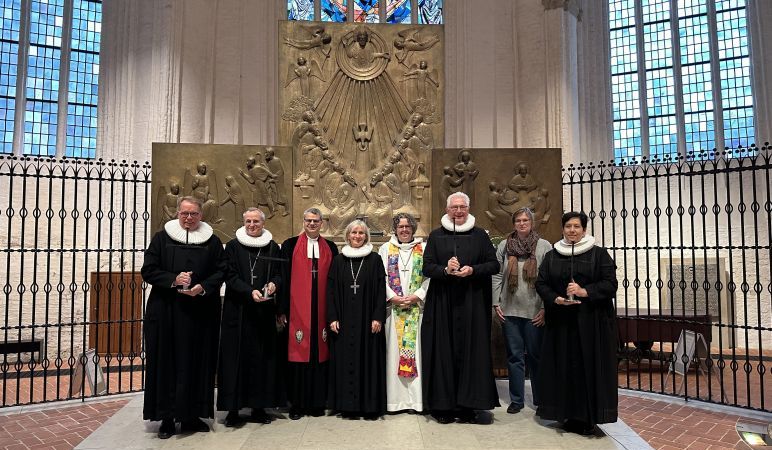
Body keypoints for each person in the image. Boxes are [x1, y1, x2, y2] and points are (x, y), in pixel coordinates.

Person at [141, 196, 225, 439]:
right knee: (167, 362)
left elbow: (222, 270)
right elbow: (148, 270)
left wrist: (202, 287)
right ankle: (167, 417)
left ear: (201, 215)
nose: (189, 218)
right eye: (185, 213)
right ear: (177, 213)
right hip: (167, 311)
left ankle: (192, 414)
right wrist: (173, 280)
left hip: (200, 313)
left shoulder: (212, 241)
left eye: (194, 214)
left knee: (196, 361)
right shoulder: (161, 239)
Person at [535, 211, 618, 435]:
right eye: (568, 226)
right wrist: (556, 298)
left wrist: (584, 291)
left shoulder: (599, 255)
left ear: (584, 229)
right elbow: (541, 283)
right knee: (562, 367)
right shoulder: (553, 256)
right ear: (562, 229)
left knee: (586, 368)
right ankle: (564, 414)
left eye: (577, 227)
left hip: (591, 323)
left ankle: (587, 417)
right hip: (561, 323)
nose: (572, 230)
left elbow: (611, 285)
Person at [421, 192, 500, 424]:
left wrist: (472, 270)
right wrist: (445, 270)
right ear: (447, 210)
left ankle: (469, 406)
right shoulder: (436, 236)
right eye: (454, 207)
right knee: (443, 352)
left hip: (472, 303)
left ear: (468, 208)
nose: (458, 211)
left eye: (462, 207)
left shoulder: (480, 236)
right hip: (443, 303)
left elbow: (494, 264)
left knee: (471, 352)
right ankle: (443, 407)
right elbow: (427, 267)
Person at [217, 208, 285, 427]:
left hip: (263, 313)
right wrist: (249, 291)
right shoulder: (234, 247)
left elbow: (279, 273)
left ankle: (259, 407)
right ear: (243, 222)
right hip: (238, 311)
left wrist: (274, 284)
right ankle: (233, 410)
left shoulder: (273, 246)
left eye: (256, 221)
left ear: (263, 224)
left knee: (261, 359)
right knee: (236, 360)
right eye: (248, 221)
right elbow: (229, 275)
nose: (252, 225)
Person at [279, 208, 339, 420]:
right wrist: (282, 309)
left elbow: (335, 281)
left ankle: (316, 403)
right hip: (297, 310)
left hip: (322, 310)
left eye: (316, 221)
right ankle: (297, 404)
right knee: (298, 356)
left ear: (321, 223)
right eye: (308, 221)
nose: (311, 224)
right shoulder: (290, 245)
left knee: (318, 355)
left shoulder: (330, 247)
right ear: (303, 222)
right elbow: (283, 279)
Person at [491, 208, 551, 414]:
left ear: (532, 223)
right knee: (514, 356)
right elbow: (497, 275)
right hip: (509, 310)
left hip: (534, 310)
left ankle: (541, 398)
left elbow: (548, 279)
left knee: (535, 356)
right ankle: (516, 399)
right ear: (514, 223)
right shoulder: (504, 246)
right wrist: (496, 302)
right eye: (518, 220)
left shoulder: (543, 246)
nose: (522, 223)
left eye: (526, 220)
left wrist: (545, 308)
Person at [327, 220, 387, 420]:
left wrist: (378, 316)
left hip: (368, 320)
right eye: (354, 232)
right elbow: (331, 292)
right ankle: (348, 406)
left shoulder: (375, 259)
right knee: (346, 360)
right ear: (348, 235)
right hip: (343, 319)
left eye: (361, 233)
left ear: (366, 236)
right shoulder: (338, 260)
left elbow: (381, 291)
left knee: (368, 360)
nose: (358, 236)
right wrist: (333, 316)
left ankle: (369, 407)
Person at [378, 213, 430, 413]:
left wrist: (417, 295)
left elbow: (428, 277)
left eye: (408, 227)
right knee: (395, 354)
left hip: (417, 310)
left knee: (416, 354)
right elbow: (380, 277)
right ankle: (396, 401)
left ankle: (415, 402)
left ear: (413, 228)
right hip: (395, 311)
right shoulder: (385, 249)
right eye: (401, 227)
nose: (405, 230)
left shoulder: (423, 249)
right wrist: (392, 296)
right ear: (395, 229)